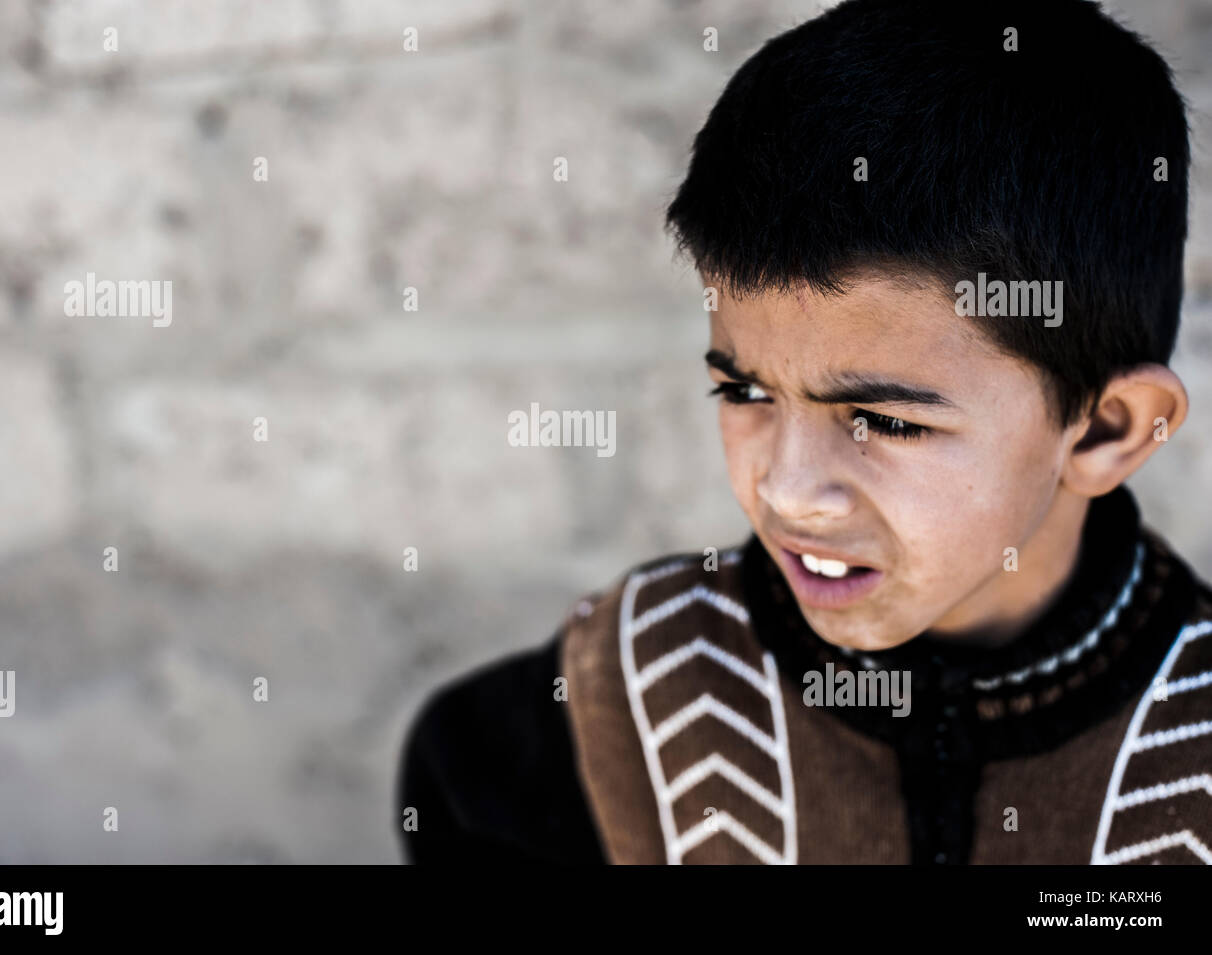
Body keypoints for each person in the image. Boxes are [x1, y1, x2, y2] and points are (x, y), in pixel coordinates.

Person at [396, 0, 1212, 864]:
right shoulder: (592, 720)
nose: (787, 489)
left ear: (1106, 432)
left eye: (884, 419)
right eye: (745, 390)